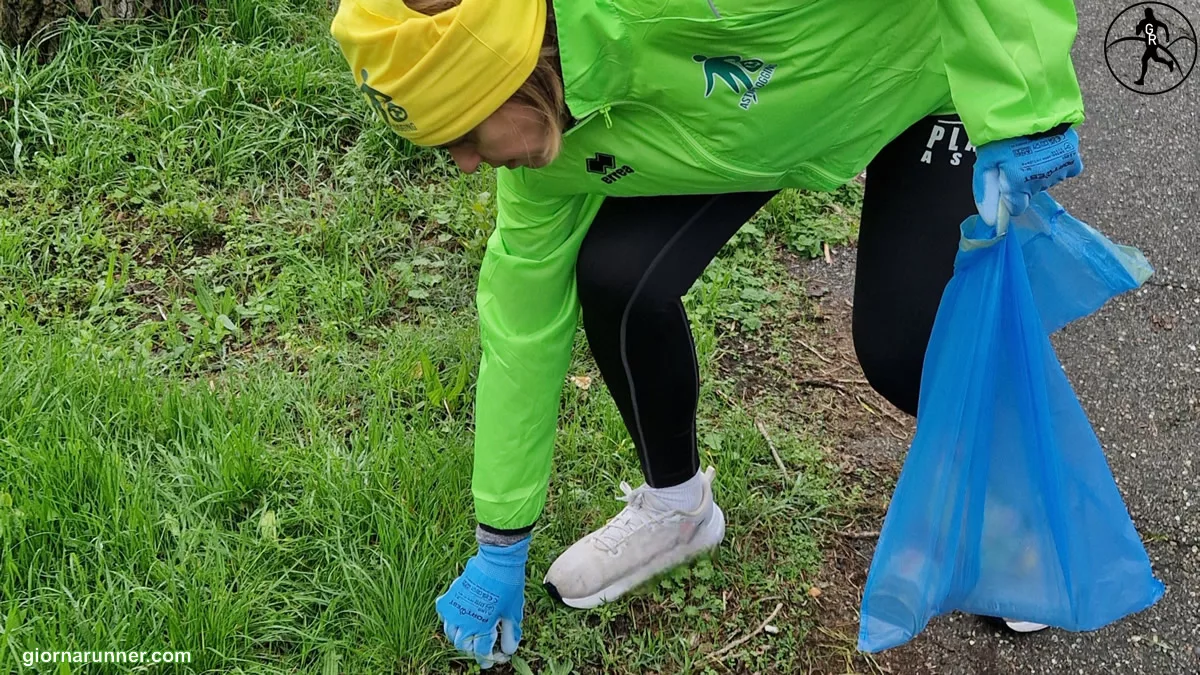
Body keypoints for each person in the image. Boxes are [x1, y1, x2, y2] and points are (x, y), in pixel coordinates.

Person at [331, 0, 1085, 666]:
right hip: (761, 118)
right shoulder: (540, 170)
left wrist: (1025, 103)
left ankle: (1022, 506)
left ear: (517, 77)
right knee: (618, 278)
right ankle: (678, 508)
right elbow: (520, 332)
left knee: (906, 347)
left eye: (462, 133)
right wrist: (500, 544)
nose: (464, 164)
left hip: (926, 72)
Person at [1134, 7, 1176, 86]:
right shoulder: (1145, 22)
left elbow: (1164, 26)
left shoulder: (1149, 22)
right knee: (1156, 59)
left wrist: (1167, 37)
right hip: (1150, 43)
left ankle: (1142, 79)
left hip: (1152, 43)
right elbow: (1137, 33)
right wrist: (1138, 28)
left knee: (1144, 59)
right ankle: (1168, 63)